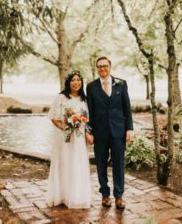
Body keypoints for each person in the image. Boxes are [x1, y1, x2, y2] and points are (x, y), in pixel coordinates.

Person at [86, 56, 133, 209]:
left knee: (119, 165)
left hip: (118, 131)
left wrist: (129, 128)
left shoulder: (121, 84)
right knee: (101, 165)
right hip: (100, 133)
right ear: (96, 68)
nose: (102, 69)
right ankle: (105, 195)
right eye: (99, 66)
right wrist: (89, 131)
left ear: (110, 67)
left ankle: (119, 196)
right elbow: (90, 112)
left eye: (105, 66)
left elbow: (127, 108)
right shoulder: (91, 87)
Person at [46, 70, 92, 209]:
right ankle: (62, 196)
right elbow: (53, 117)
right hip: (64, 137)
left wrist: (87, 133)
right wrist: (66, 128)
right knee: (64, 163)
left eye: (78, 80)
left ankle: (77, 196)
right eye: (73, 80)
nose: (76, 82)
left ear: (81, 82)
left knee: (77, 164)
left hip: (79, 139)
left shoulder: (85, 99)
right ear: (68, 83)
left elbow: (87, 121)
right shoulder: (61, 98)